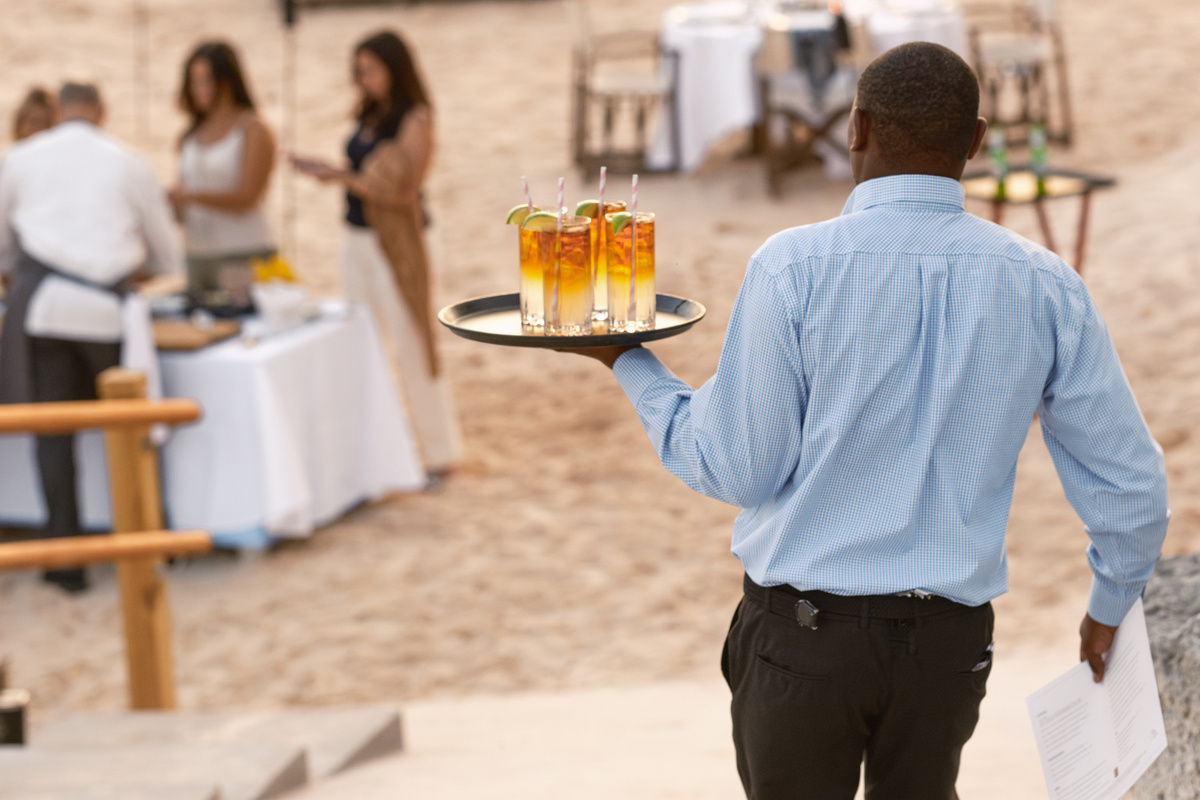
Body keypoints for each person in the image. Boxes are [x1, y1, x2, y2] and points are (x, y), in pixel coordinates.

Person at [564, 43, 1169, 798]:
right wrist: (1110, 604)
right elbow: (1133, 486)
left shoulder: (791, 268)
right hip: (948, 648)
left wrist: (630, 361)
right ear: (976, 142)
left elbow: (735, 467)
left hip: (802, 642)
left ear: (856, 128)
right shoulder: (1045, 284)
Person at [0, 83, 183, 593]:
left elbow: (3, 254)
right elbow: (168, 257)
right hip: (106, 312)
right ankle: (143, 546)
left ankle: (66, 563)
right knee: (131, 432)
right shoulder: (128, 161)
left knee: (52, 437)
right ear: (103, 112)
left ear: (59, 111)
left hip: (42, 311)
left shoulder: (19, 157)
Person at [291, 30, 461, 477]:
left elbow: (404, 192)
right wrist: (335, 174)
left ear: (393, 69)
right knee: (361, 343)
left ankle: (439, 452)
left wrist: (341, 178)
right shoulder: (370, 115)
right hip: (356, 238)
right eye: (359, 71)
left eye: (370, 69)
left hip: (398, 242)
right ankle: (377, 453)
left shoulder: (415, 118)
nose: (363, 79)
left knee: (412, 340)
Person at [170, 41, 276, 313]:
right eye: (194, 82)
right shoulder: (189, 136)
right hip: (198, 256)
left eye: (206, 81)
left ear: (227, 81)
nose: (199, 90)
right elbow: (183, 203)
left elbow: (248, 196)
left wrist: (192, 197)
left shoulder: (252, 129)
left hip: (241, 254)